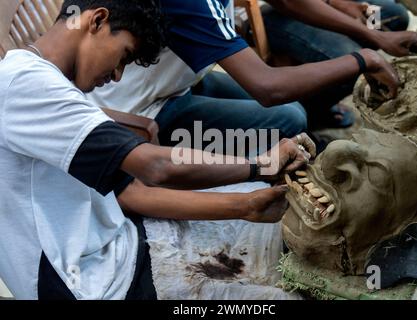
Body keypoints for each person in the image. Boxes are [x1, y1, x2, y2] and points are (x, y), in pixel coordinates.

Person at [0, 0, 315, 300]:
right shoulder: (24, 84)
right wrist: (258, 166)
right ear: (97, 20)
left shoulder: (59, 87)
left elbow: (134, 193)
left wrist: (246, 205)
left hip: (130, 241)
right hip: (95, 286)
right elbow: (155, 166)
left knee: (273, 235)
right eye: (124, 56)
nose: (117, 76)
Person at [87, 0, 417, 147]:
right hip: (142, 114)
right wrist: (363, 59)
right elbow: (267, 87)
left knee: (294, 116)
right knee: (289, 121)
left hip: (183, 83)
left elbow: (290, 3)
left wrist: (374, 35)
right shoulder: (191, 4)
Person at [262, 0, 417, 126]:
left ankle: (351, 42)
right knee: (350, 65)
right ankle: (311, 114)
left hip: (322, 4)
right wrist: (375, 36)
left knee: (393, 17)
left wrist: (339, 3)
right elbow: (290, 3)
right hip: (284, 12)